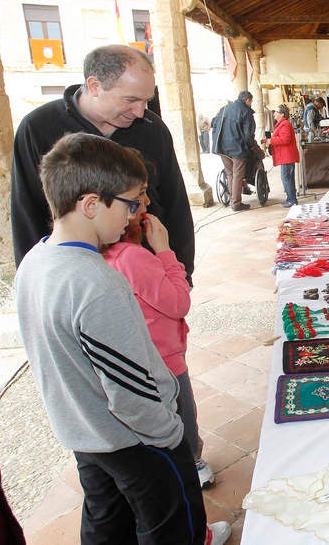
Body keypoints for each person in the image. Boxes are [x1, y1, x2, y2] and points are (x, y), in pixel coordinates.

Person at [14, 133, 230, 545]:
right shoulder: (95, 281)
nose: (133, 216)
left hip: (82, 429)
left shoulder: (36, 260)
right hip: (135, 439)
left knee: (105, 520)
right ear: (91, 204)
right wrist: (170, 437)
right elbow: (129, 390)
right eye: (130, 204)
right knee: (171, 525)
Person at [11, 44, 195, 284]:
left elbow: (175, 203)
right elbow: (26, 213)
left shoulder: (153, 129)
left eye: (146, 101)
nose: (140, 112)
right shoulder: (37, 128)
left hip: (147, 277)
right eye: (130, 100)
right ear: (94, 86)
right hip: (78, 281)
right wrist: (35, 284)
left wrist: (183, 273)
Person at [103, 191, 215, 490]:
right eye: (139, 195)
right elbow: (178, 303)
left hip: (145, 357)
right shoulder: (133, 257)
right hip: (163, 359)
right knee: (181, 417)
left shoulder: (108, 254)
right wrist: (165, 251)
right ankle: (191, 465)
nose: (149, 200)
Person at [212, 90, 258, 212]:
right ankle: (236, 203)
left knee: (230, 174)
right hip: (237, 148)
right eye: (251, 101)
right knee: (238, 175)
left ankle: (233, 199)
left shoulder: (225, 109)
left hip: (222, 147)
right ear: (247, 100)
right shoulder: (246, 111)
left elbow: (214, 124)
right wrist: (251, 147)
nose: (251, 104)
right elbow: (249, 134)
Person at [262, 104, 300, 208]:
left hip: (287, 156)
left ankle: (292, 200)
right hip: (286, 155)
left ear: (282, 114)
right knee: (288, 178)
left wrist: (271, 140)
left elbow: (285, 139)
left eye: (276, 112)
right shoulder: (282, 124)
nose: (274, 113)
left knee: (286, 178)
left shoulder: (285, 124)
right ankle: (291, 199)